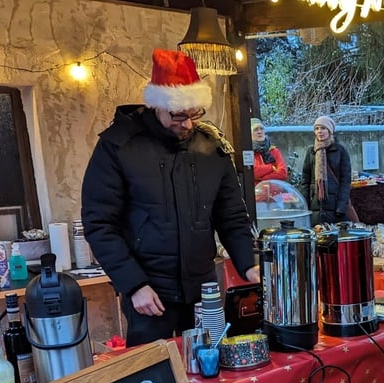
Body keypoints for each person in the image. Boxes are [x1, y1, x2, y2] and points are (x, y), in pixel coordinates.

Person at [82, 48, 260, 347]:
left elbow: (231, 216)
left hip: (203, 291)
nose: (188, 124)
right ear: (157, 105)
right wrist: (134, 284)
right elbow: (99, 223)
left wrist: (248, 263)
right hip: (149, 293)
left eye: (194, 114)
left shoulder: (213, 149)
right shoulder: (119, 146)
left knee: (210, 369)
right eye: (178, 115)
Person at [300, 116, 352, 224]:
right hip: (315, 207)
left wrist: (341, 207)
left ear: (330, 131)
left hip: (335, 207)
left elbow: (345, 181)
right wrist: (304, 206)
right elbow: (305, 180)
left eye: (323, 128)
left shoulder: (340, 150)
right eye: (317, 128)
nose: (320, 131)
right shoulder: (311, 151)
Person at [251, 117, 288, 186]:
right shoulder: (249, 152)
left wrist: (263, 179)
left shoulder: (274, 151)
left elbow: (283, 173)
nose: (259, 132)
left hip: (274, 192)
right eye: (255, 129)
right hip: (257, 193)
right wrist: (271, 167)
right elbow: (253, 172)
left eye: (261, 129)